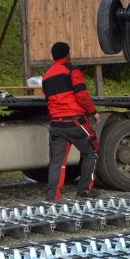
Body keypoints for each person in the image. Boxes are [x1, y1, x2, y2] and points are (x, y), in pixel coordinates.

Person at [42, 41, 101, 202]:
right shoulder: (72, 71)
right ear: (67, 54)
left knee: (57, 161)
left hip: (56, 124)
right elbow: (81, 95)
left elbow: (48, 99)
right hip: (75, 122)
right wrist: (93, 112)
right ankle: (84, 191)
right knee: (92, 152)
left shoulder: (46, 76)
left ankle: (53, 196)